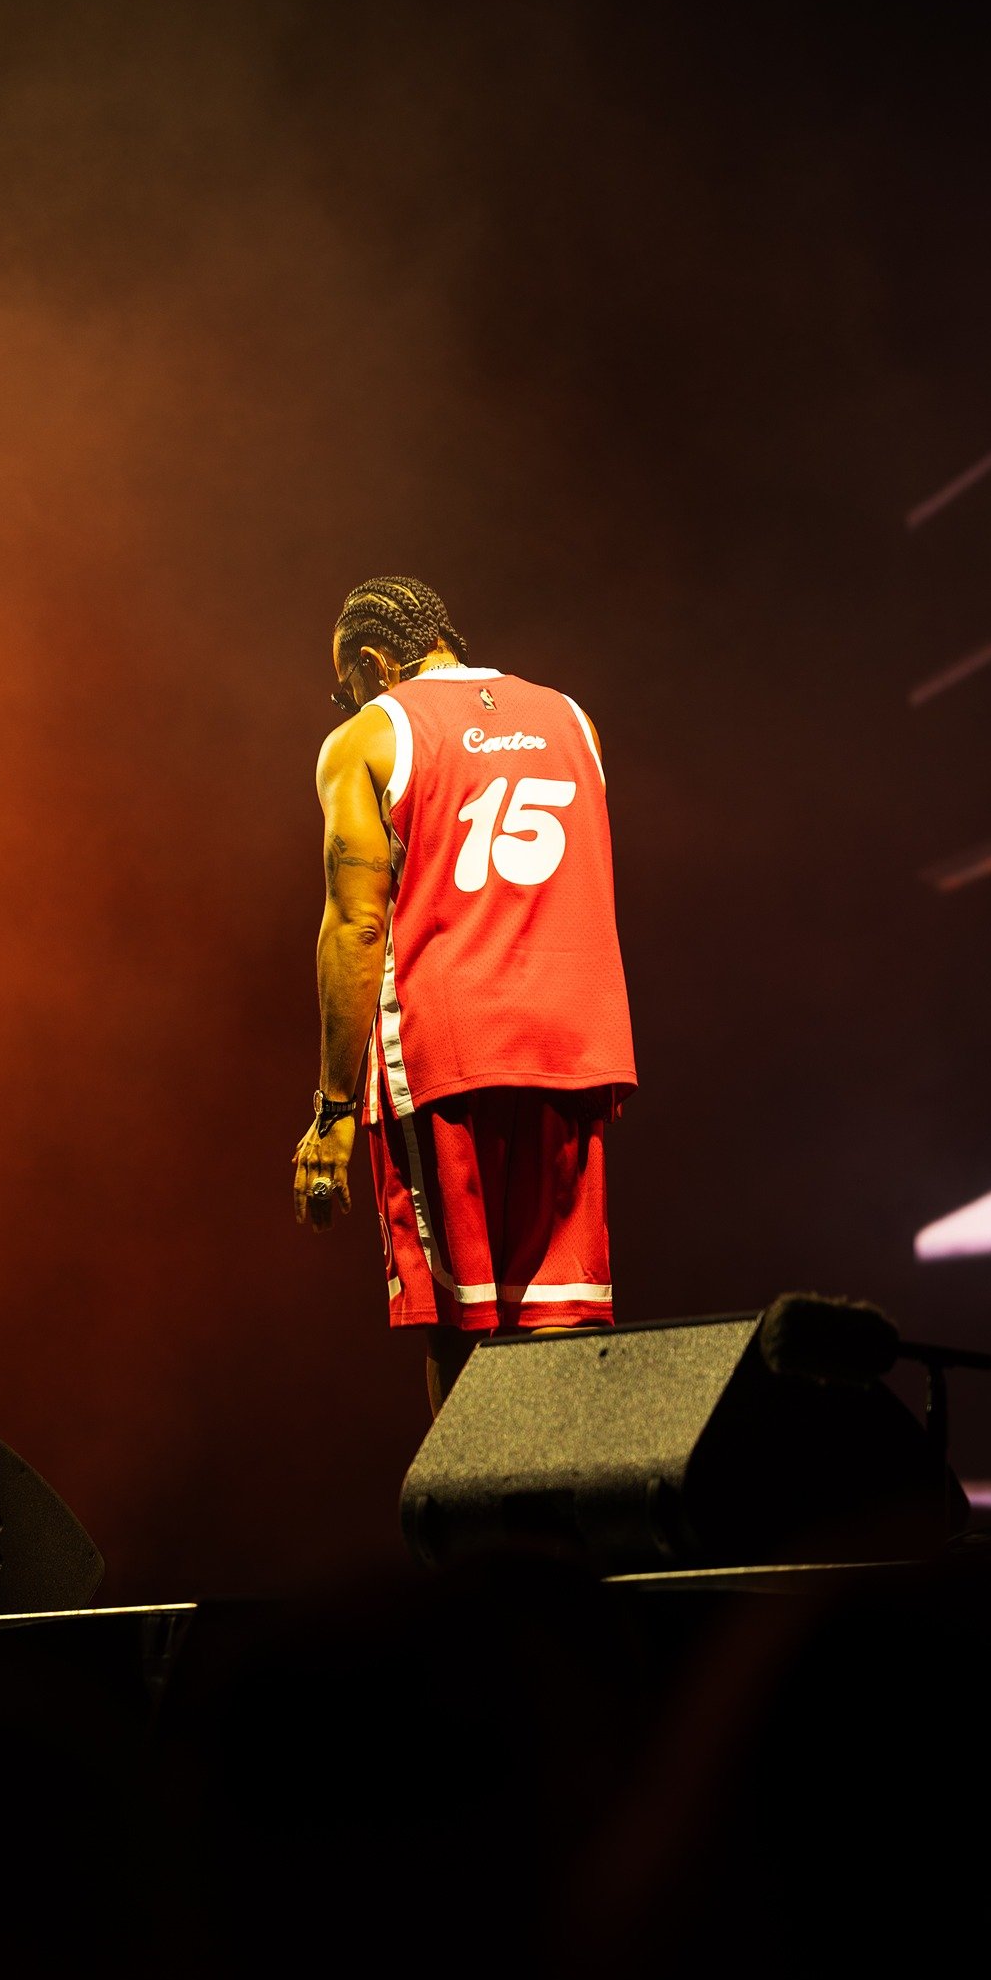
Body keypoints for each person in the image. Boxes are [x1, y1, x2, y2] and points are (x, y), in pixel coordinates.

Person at [292, 576, 637, 1414]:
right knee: (559, 1316)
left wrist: (334, 1111)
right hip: (576, 1049)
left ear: (372, 663)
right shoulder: (573, 718)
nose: (348, 702)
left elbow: (356, 926)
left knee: (461, 1326)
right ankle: (574, 1494)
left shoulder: (369, 736)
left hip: (449, 1051)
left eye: (345, 686)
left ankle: (482, 1500)